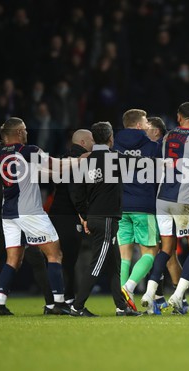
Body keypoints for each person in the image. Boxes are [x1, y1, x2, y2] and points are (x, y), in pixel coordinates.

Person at [140, 102, 189, 314]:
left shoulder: (167, 137)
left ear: (179, 117)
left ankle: (149, 292)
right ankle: (178, 295)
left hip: (162, 199)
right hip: (184, 201)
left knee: (166, 249)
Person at [0, 117, 68, 315]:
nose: (27, 132)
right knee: (54, 254)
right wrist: (82, 160)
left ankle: (0, 305)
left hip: (9, 213)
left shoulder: (1, 155)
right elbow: (56, 165)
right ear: (18, 132)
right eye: (25, 130)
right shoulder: (29, 150)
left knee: (13, 259)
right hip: (30, 212)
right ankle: (57, 304)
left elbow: (40, 172)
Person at [0, 138, 55, 315]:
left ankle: (50, 303)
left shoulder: (13, 159)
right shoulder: (1, 158)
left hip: (14, 214)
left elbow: (34, 171)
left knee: (35, 259)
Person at [70, 121, 141, 317]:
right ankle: (77, 307)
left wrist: (84, 216)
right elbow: (142, 162)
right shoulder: (115, 158)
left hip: (95, 217)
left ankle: (121, 307)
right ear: (111, 138)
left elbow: (76, 192)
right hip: (107, 219)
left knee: (114, 265)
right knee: (98, 263)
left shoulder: (85, 160)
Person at [112, 109, 164, 311]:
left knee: (124, 256)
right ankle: (129, 287)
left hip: (121, 206)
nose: (148, 125)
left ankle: (121, 305)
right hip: (144, 206)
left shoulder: (114, 146)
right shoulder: (152, 146)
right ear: (139, 125)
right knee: (150, 253)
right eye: (145, 121)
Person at [49, 129, 94, 306]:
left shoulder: (63, 158)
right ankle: (66, 299)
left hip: (57, 214)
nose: (93, 143)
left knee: (59, 258)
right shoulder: (81, 161)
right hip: (68, 216)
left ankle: (56, 299)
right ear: (82, 142)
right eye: (90, 140)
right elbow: (74, 191)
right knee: (69, 259)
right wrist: (84, 215)